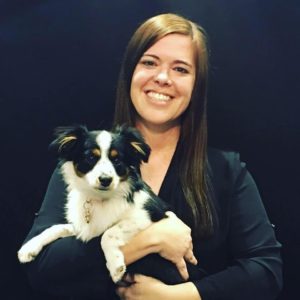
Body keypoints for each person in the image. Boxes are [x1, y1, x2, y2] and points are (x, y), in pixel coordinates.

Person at [21, 13, 282, 300]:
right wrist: (150, 240)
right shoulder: (83, 164)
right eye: (149, 62)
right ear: (130, 72)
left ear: (197, 85)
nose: (162, 78)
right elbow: (40, 268)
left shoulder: (226, 171)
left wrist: (178, 296)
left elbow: (266, 272)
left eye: (181, 69)